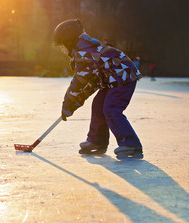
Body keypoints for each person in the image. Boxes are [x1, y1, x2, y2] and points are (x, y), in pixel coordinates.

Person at [53, 19, 143, 160]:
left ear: (69, 42)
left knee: (111, 108)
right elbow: (90, 85)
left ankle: (131, 143)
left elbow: (79, 82)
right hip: (111, 80)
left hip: (122, 78)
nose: (61, 50)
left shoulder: (84, 54)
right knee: (98, 106)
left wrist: (67, 103)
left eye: (61, 45)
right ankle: (97, 141)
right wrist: (74, 104)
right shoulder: (87, 52)